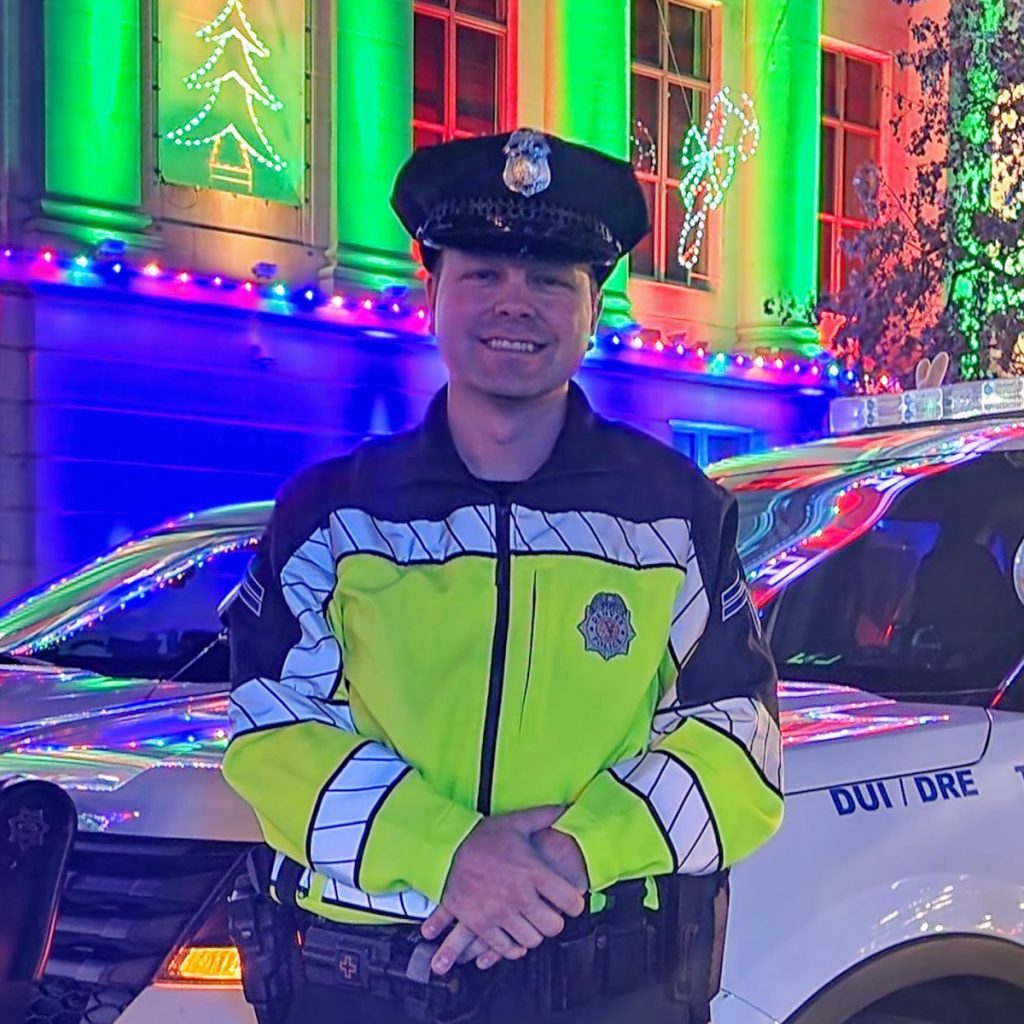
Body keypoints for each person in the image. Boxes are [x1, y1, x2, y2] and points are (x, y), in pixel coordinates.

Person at [222, 128, 784, 1024]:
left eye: (550, 280)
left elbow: (740, 747)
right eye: (483, 273)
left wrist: (572, 855)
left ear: (593, 308)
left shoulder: (677, 512)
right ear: (431, 294)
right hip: (364, 988)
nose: (514, 304)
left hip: (609, 988)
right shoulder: (332, 515)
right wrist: (450, 853)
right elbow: (269, 732)